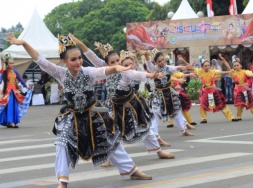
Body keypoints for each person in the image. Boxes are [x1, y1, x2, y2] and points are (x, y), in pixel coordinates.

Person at [6, 33, 152, 188]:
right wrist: (24, 43)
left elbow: (103, 71)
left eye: (79, 58)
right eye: (73, 59)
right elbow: (40, 59)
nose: (78, 62)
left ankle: (131, 170)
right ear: (64, 61)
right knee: (62, 143)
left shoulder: (87, 72)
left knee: (111, 140)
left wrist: (116, 67)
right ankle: (63, 180)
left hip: (93, 113)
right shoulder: (60, 73)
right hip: (73, 117)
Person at [71, 35, 175, 159]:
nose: (116, 64)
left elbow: (138, 74)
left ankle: (158, 151)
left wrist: (152, 75)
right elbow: (91, 55)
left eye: (118, 61)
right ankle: (109, 158)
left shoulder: (125, 71)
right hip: (114, 106)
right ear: (106, 64)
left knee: (144, 128)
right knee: (110, 131)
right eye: (112, 62)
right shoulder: (106, 69)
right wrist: (81, 44)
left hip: (131, 105)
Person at [194, 55, 239, 124]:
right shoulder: (200, 72)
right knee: (202, 104)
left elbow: (221, 72)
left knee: (222, 104)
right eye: (205, 66)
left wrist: (228, 72)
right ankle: (204, 119)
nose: (207, 67)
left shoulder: (212, 71)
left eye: (208, 65)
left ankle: (231, 117)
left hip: (214, 91)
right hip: (205, 91)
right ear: (202, 67)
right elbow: (190, 68)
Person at [221, 54, 253, 120]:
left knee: (251, 102)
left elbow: (250, 74)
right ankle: (239, 116)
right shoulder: (233, 73)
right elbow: (228, 67)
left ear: (240, 66)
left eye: (237, 65)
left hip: (245, 89)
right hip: (238, 90)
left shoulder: (244, 71)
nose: (236, 67)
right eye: (235, 66)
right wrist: (224, 60)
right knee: (239, 104)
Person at [0, 53, 28, 128]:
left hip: (14, 91)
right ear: (7, 64)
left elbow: (20, 79)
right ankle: (10, 121)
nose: (12, 64)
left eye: (13, 63)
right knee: (9, 106)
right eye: (10, 63)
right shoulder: (4, 72)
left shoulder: (15, 71)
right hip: (7, 91)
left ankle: (12, 121)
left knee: (14, 106)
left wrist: (25, 86)